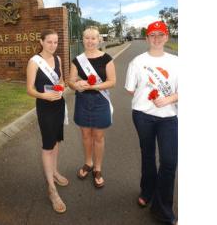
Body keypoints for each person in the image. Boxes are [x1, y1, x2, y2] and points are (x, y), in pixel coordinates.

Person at [125, 21, 178, 225]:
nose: (156, 39)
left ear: (166, 37)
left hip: (168, 117)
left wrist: (169, 98)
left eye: (160, 34)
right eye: (152, 35)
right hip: (143, 115)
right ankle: (147, 191)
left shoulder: (177, 61)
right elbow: (130, 89)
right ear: (147, 38)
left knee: (169, 161)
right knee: (147, 155)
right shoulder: (137, 61)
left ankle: (162, 208)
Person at [68, 26, 116, 188]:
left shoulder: (106, 58)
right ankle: (88, 163)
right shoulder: (77, 60)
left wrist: (93, 87)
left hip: (100, 101)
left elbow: (112, 81)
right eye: (86, 38)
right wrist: (76, 85)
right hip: (83, 101)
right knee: (86, 136)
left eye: (93, 38)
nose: (90, 41)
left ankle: (97, 168)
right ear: (83, 40)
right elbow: (70, 81)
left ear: (99, 40)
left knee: (98, 137)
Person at [26, 29, 68, 214]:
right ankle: (51, 189)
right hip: (45, 107)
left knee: (57, 141)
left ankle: (55, 171)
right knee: (47, 146)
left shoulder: (57, 59)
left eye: (56, 42)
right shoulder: (34, 62)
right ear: (41, 42)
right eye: (49, 42)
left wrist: (62, 87)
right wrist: (44, 95)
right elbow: (29, 90)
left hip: (59, 105)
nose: (53, 45)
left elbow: (61, 80)